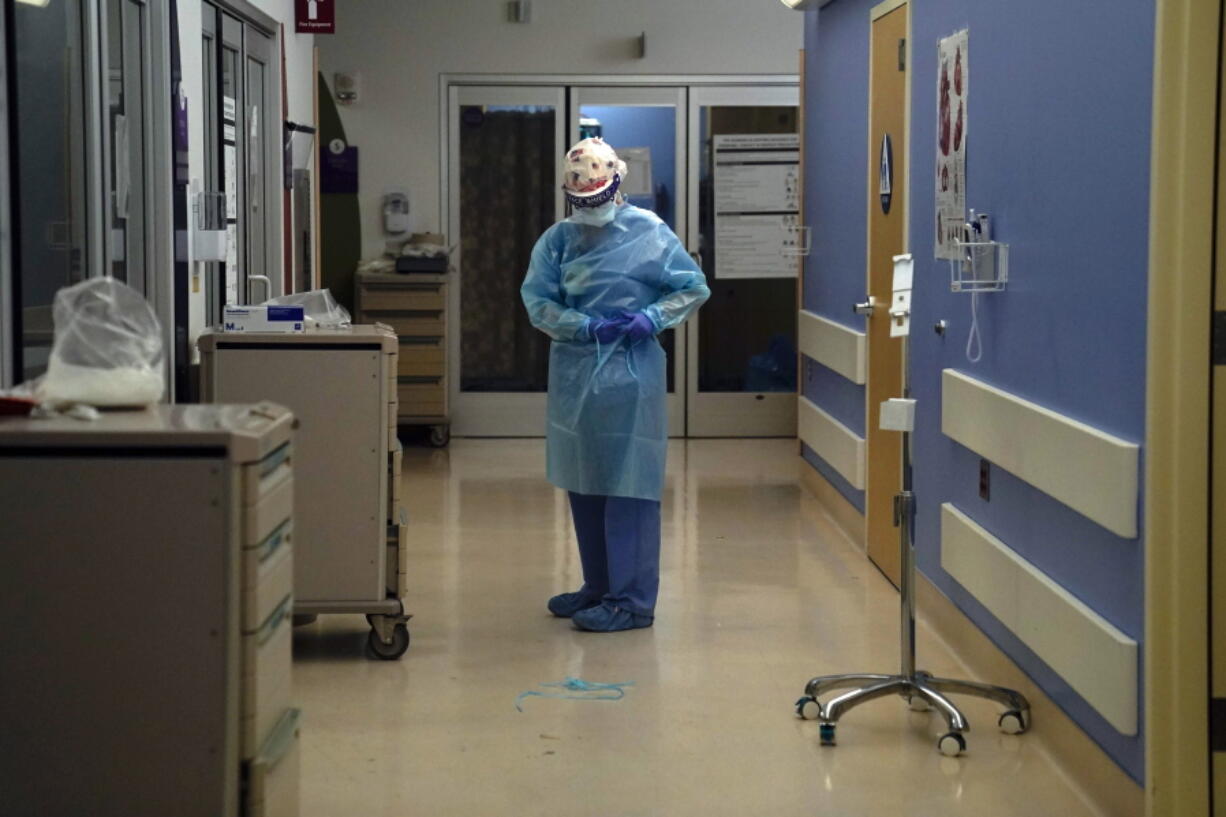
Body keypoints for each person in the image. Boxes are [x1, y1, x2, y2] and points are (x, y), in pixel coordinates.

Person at [521, 137, 710, 633]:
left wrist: (652, 317)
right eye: (582, 200)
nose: (591, 208)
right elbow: (537, 301)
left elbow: (692, 286)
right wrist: (581, 326)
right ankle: (599, 587)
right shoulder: (558, 240)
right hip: (576, 376)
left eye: (598, 197)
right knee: (585, 482)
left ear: (618, 185)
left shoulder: (649, 232)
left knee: (631, 486)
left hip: (631, 374)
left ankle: (631, 602)